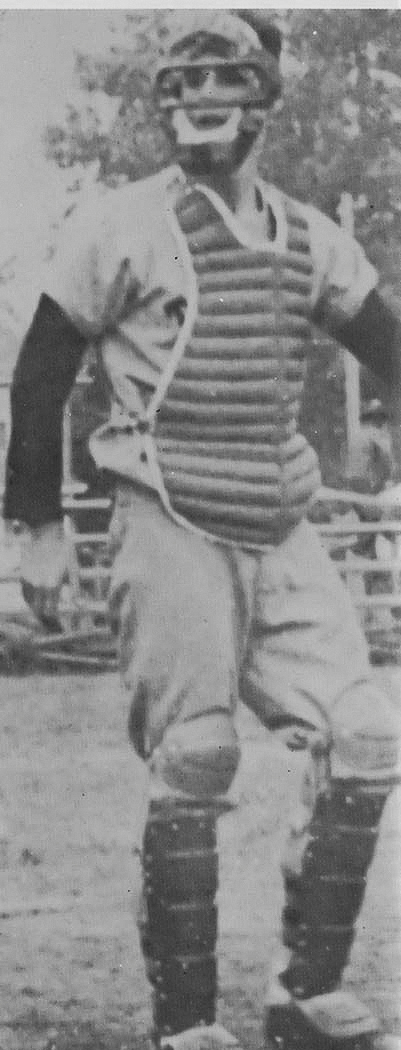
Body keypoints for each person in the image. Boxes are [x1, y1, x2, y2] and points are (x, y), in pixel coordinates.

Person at [4, 11, 401, 1050]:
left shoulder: (307, 237)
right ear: (165, 107)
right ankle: (185, 1021)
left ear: (261, 104)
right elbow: (43, 368)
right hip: (165, 511)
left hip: (277, 516)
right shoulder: (123, 225)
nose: (202, 107)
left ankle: (304, 992)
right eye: (184, 90)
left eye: (225, 87)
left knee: (365, 735)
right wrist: (36, 523)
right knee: (197, 752)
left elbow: (388, 344)